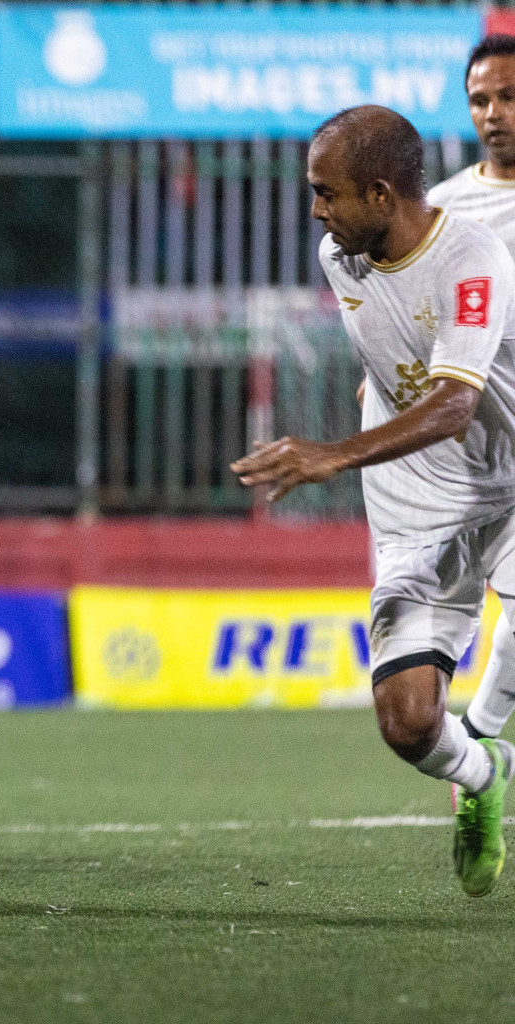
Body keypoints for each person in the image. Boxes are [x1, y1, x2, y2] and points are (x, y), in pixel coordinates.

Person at [233, 104, 515, 896]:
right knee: (408, 725)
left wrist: (332, 455)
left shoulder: (473, 256)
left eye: (328, 193)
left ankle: (490, 723)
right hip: (413, 514)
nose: (317, 211)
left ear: (384, 193)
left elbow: (456, 404)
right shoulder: (341, 256)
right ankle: (483, 769)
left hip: (509, 492)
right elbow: (392, 354)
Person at [425, 35, 515, 747]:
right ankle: (474, 744)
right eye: (481, 100)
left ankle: (481, 741)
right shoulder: (444, 210)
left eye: (510, 97)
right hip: (470, 450)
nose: (495, 114)